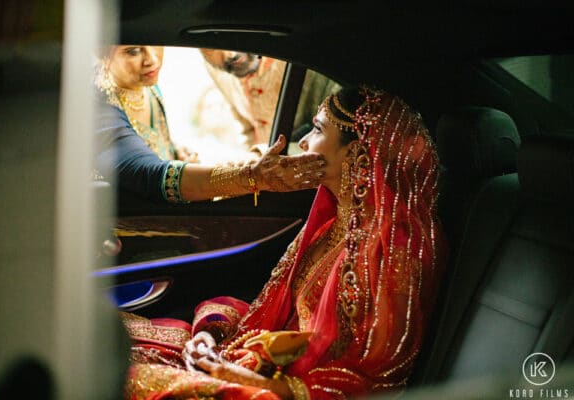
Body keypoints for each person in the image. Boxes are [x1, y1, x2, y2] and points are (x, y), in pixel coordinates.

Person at [121, 85, 446, 399]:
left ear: (357, 150)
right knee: (112, 339)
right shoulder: (331, 226)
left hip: (292, 391)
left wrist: (249, 380)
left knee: (120, 374)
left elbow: (377, 380)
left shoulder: (397, 248)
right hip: (254, 367)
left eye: (317, 130)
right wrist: (210, 333)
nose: (303, 143)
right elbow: (276, 322)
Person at [94, 45, 327, 204]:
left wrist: (173, 150)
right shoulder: (92, 105)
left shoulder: (145, 85)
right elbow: (149, 175)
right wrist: (251, 176)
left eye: (155, 43)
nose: (152, 59)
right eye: (133, 52)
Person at [199, 49, 340, 153]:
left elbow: (334, 139)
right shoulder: (216, 71)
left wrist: (263, 156)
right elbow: (246, 129)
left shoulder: (306, 54)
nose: (230, 54)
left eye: (230, 34)